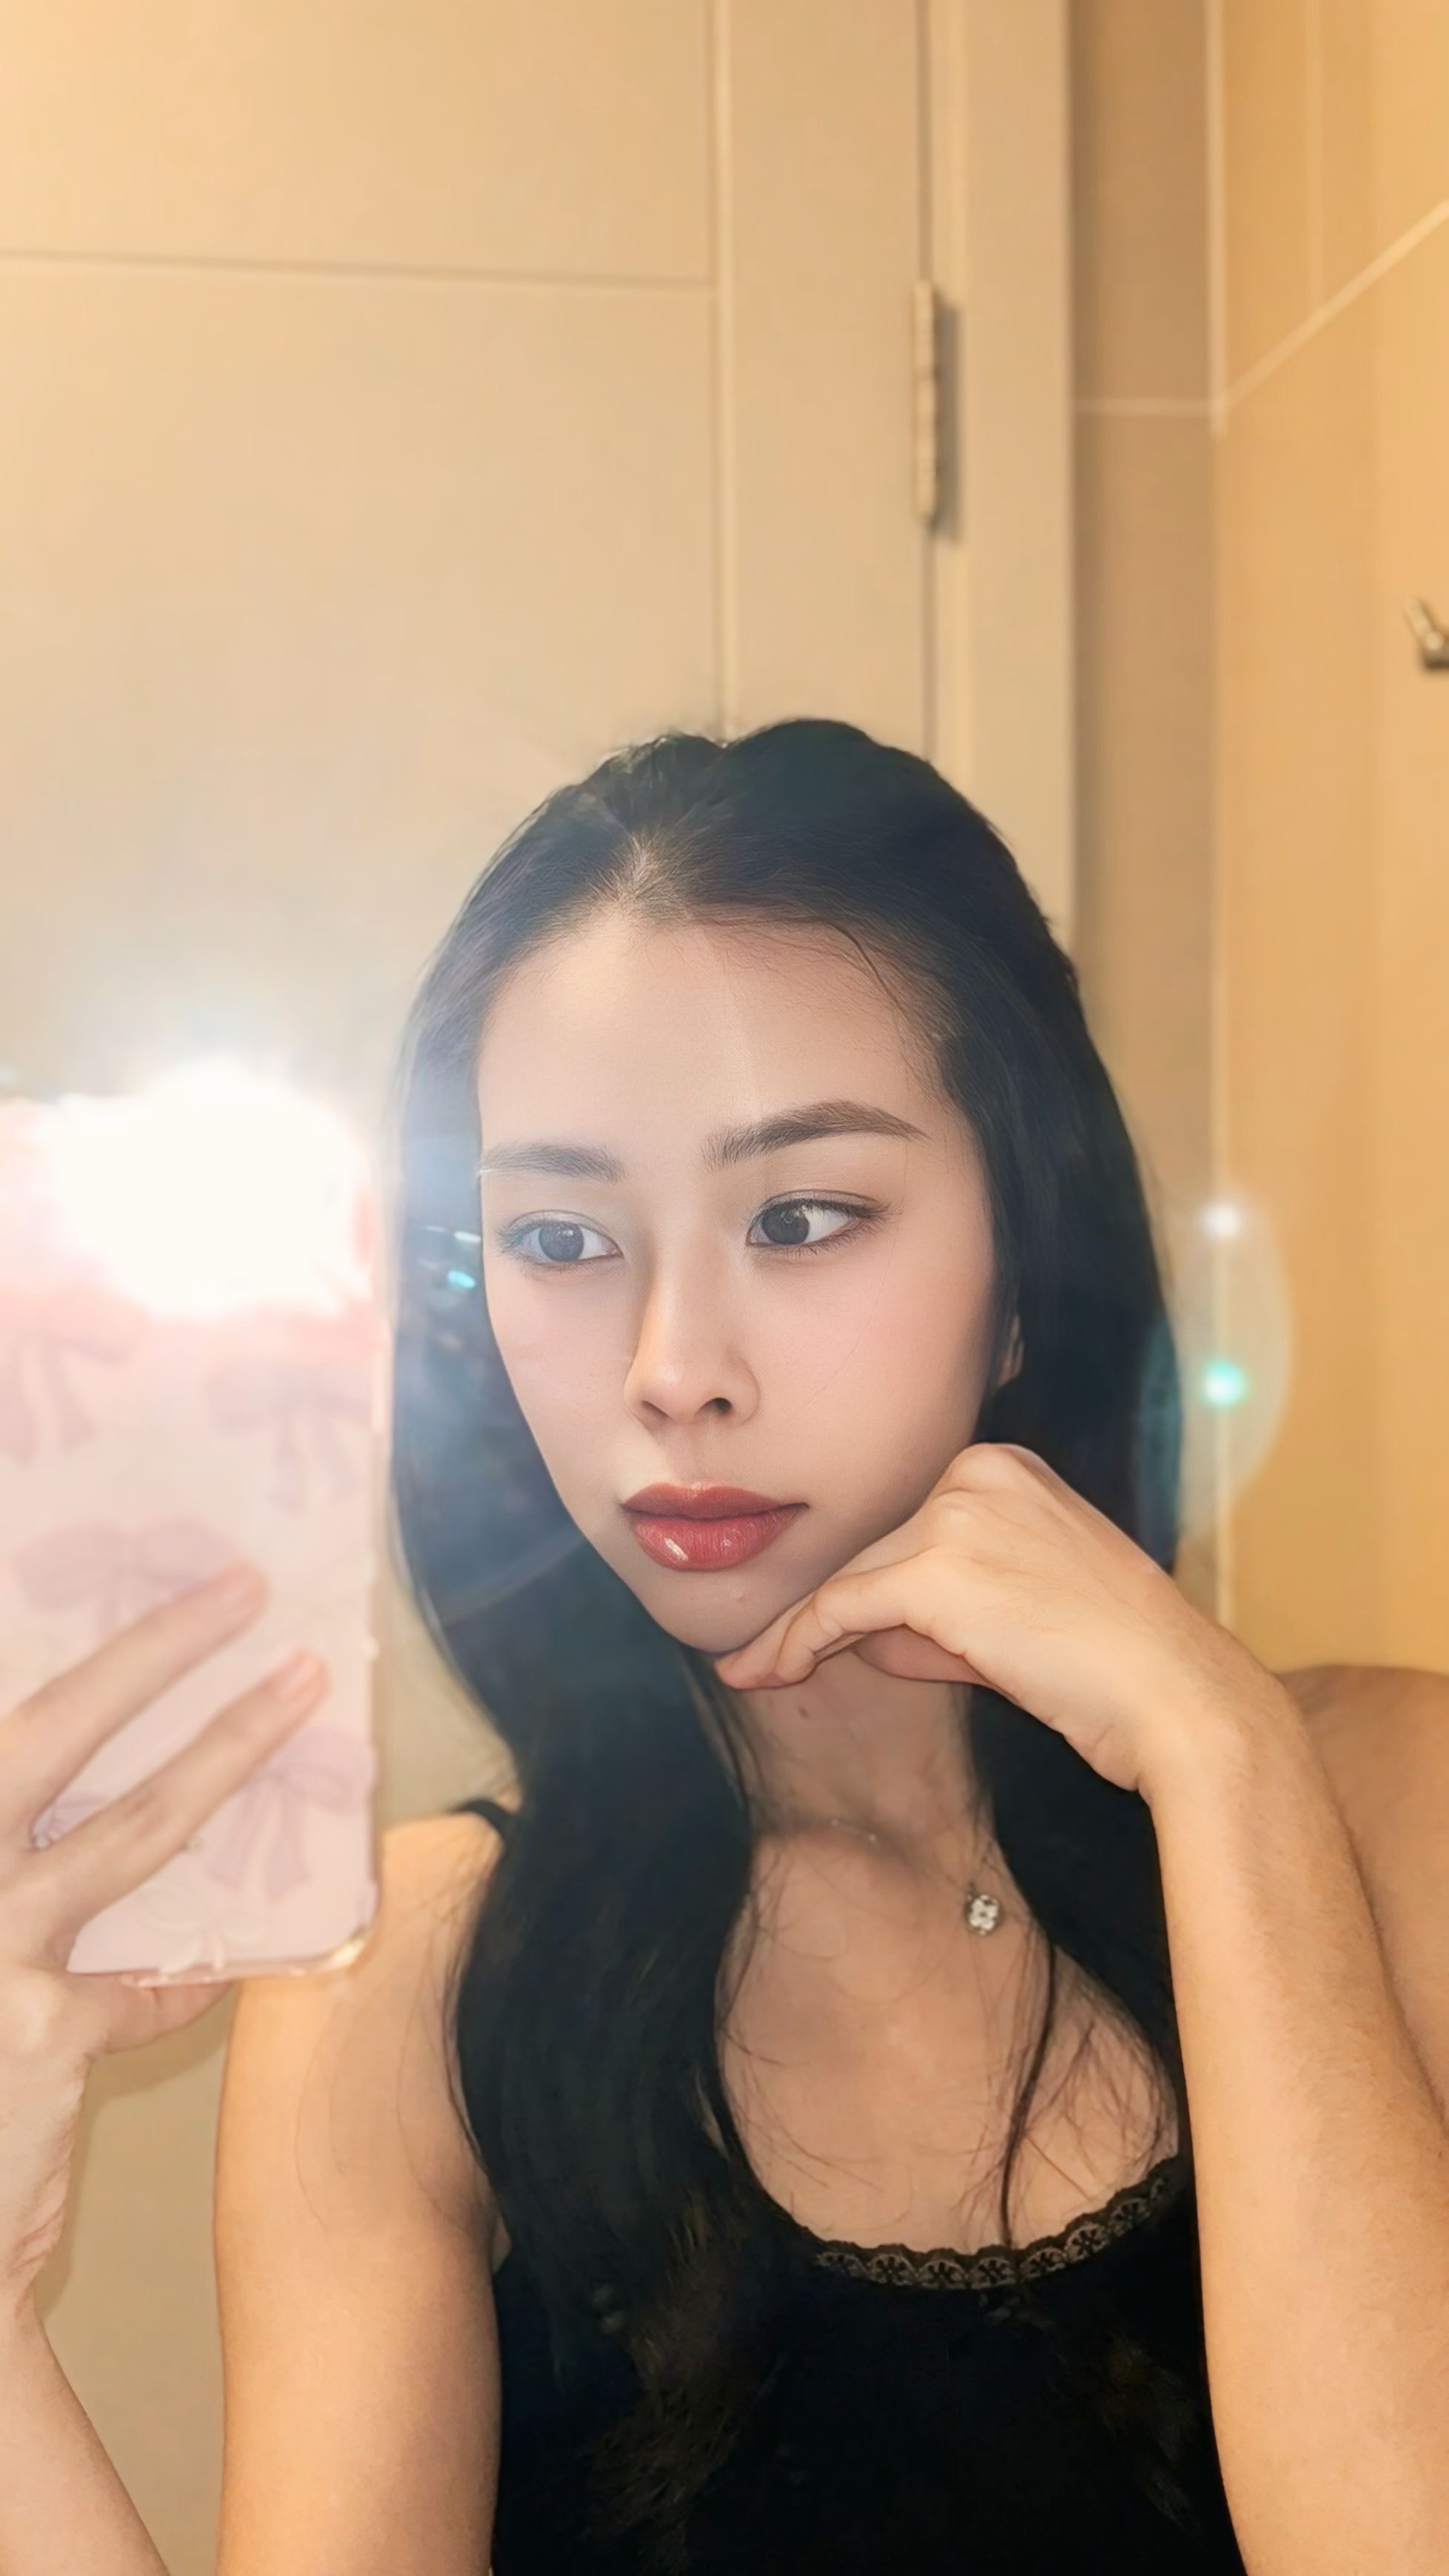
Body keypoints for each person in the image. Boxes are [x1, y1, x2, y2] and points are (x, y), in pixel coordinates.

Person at [1, 722, 1447, 2575]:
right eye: (557, 1237)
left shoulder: (1376, 1810)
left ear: (1025, 1263)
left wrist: (1222, 1761)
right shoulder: (410, 1984)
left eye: (801, 1216)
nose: (672, 1368)